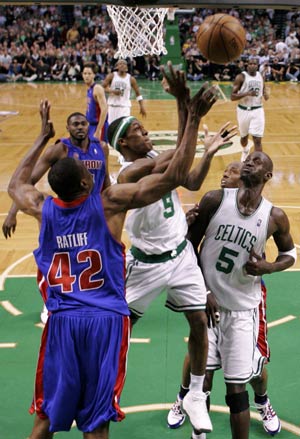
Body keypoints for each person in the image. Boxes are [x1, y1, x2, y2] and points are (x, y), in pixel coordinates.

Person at [7, 80, 209, 439]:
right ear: (86, 184)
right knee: (96, 420)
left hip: (63, 321)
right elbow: (178, 174)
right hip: (104, 322)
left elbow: (16, 184)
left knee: (44, 419)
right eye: (88, 172)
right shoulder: (109, 203)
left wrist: (42, 136)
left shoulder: (42, 209)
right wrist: (191, 117)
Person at [107, 63, 237, 434]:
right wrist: (186, 107)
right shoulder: (129, 174)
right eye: (137, 130)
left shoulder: (149, 161)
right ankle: (104, 386)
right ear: (123, 144)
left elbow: (188, 175)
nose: (145, 132)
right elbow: (177, 166)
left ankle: (195, 394)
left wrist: (203, 142)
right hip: (146, 264)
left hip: (180, 255)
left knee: (199, 321)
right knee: (119, 330)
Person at [169, 151, 296, 439]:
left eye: (258, 161)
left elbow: (289, 254)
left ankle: (262, 403)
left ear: (267, 176)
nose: (250, 161)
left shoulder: (274, 216)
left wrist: (269, 266)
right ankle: (198, 434)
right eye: (248, 158)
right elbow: (189, 246)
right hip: (207, 306)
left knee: (237, 388)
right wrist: (204, 290)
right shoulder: (216, 199)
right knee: (204, 382)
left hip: (243, 311)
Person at [2, 112, 111, 324]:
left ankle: (91, 297)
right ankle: (51, 300)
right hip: (65, 212)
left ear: (88, 125)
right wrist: (13, 212)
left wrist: (109, 208)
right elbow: (29, 181)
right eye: (75, 124)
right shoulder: (60, 149)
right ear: (68, 128)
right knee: (58, 257)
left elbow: (105, 181)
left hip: (93, 212)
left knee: (92, 257)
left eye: (83, 123)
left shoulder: (102, 148)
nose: (80, 127)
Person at [231, 58, 269, 162]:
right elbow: (232, 97)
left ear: (257, 65)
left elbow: (264, 89)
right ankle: (245, 149)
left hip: (257, 110)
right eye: (250, 64)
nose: (252, 65)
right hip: (243, 110)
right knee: (244, 138)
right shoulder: (241, 77)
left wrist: (266, 94)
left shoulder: (260, 76)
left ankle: (258, 163)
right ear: (247, 65)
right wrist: (247, 93)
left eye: (254, 64)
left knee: (257, 140)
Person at [102, 59, 146, 124]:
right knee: (111, 127)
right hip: (112, 106)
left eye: (124, 64)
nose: (122, 65)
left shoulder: (131, 79)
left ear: (127, 68)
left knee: (123, 127)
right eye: (120, 64)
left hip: (125, 107)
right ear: (117, 67)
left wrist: (142, 106)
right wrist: (112, 91)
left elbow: (138, 93)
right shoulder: (111, 76)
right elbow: (101, 88)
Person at [82, 61, 108, 141]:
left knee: (99, 151)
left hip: (99, 126)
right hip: (91, 126)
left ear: (94, 75)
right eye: (85, 73)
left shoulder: (97, 88)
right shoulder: (89, 89)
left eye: (89, 74)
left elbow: (104, 110)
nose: (86, 76)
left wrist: (98, 130)